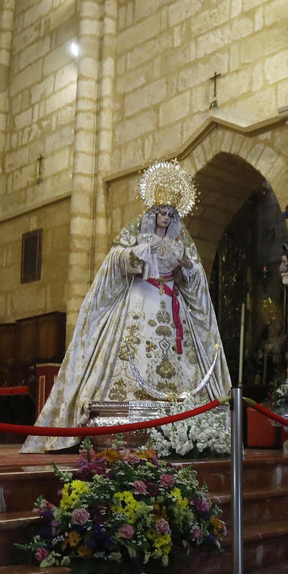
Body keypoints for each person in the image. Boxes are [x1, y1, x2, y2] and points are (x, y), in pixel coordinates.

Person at [25, 163, 230, 453]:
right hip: (139, 302)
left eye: (171, 215)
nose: (165, 218)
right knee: (131, 352)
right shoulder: (136, 235)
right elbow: (115, 261)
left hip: (172, 305)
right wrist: (134, 255)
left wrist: (186, 268)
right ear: (153, 213)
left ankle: (185, 418)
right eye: (162, 213)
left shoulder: (180, 243)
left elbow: (193, 281)